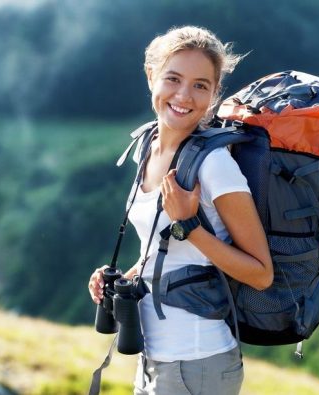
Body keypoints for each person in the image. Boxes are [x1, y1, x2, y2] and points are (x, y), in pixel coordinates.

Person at [88, 26, 272, 395]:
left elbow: (261, 274)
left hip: (198, 361)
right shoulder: (146, 146)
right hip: (153, 357)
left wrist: (191, 225)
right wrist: (127, 275)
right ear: (151, 76)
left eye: (201, 85)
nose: (184, 95)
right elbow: (164, 250)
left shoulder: (215, 165)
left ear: (214, 93)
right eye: (173, 78)